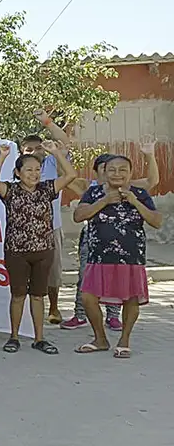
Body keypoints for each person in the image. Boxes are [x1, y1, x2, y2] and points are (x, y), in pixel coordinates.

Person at [0, 140, 77, 355]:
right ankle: (14, 336)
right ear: (18, 173)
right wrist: (2, 156)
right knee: (18, 295)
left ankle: (39, 338)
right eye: (28, 170)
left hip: (43, 250)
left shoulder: (47, 188)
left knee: (38, 295)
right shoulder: (10, 190)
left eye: (37, 170)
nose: (34, 174)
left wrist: (56, 152)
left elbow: (70, 175)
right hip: (17, 251)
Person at [62, 141, 159, 330]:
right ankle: (91, 328)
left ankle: (119, 329)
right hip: (97, 254)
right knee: (88, 292)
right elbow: (78, 215)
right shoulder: (92, 191)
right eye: (110, 169)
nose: (117, 174)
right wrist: (104, 201)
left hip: (131, 257)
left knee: (128, 296)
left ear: (130, 173)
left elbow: (156, 220)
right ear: (102, 172)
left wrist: (135, 201)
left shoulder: (137, 192)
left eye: (122, 170)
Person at [19, 111, 73, 323]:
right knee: (23, 273)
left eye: (38, 148)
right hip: (22, 231)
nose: (34, 152)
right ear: (22, 151)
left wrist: (47, 122)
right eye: (29, 149)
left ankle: (54, 308)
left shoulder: (51, 165)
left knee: (53, 270)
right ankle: (23, 313)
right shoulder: (15, 169)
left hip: (52, 227)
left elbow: (64, 142)